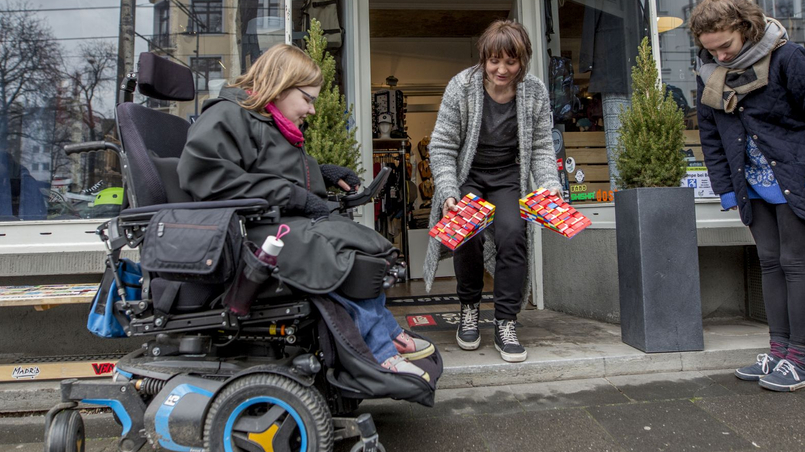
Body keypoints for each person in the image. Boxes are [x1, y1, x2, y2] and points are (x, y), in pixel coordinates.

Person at [177, 43, 433, 380]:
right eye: (308, 99)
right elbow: (209, 178)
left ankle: (384, 330)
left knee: (366, 246)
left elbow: (271, 172)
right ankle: (378, 351)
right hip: (247, 234)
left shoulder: (267, 120)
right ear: (281, 85)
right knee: (341, 254)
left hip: (273, 222)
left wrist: (323, 171)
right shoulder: (227, 115)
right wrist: (296, 196)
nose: (311, 110)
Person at [691, 0, 805, 391]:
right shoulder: (709, 73)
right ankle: (778, 352)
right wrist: (726, 189)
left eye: (726, 46)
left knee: (794, 262)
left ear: (744, 28)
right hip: (752, 185)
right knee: (769, 261)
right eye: (712, 51)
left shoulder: (788, 58)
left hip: (797, 181)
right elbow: (710, 136)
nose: (721, 57)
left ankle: (799, 360)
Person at [425, 19, 561, 363]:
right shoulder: (461, 86)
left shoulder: (534, 91)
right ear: (483, 58)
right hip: (468, 175)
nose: (502, 69)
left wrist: (550, 188)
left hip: (506, 177)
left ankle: (505, 321)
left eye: (511, 62)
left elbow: (543, 146)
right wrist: (449, 193)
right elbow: (441, 146)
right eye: (494, 61)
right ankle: (469, 306)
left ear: (523, 60)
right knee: (466, 234)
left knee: (514, 234)